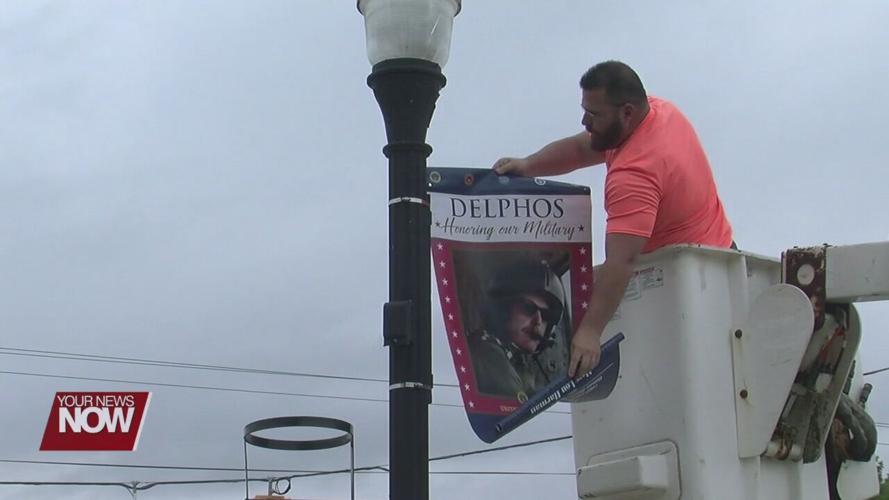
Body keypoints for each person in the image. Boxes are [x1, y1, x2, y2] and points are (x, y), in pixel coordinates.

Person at [493, 60, 734, 380]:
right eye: (585, 110)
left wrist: (591, 331)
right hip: (722, 255)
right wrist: (528, 165)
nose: (585, 122)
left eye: (594, 115)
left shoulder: (635, 174)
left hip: (691, 286)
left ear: (627, 112)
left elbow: (621, 261)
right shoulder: (661, 111)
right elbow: (580, 149)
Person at [469, 260, 568, 401]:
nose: (538, 321)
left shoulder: (519, 361)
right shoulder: (486, 351)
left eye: (547, 316)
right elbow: (519, 407)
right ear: (504, 309)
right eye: (528, 308)